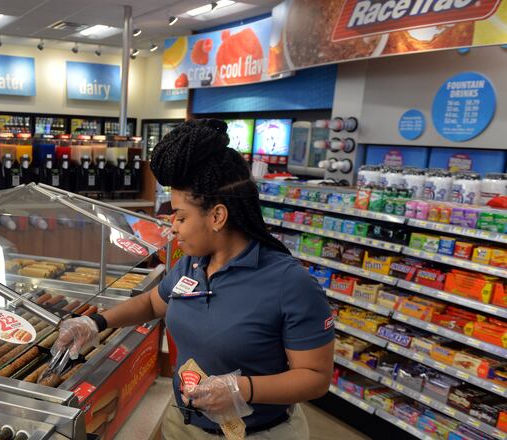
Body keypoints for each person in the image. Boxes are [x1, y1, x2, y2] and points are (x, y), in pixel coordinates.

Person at [54, 119, 334, 439]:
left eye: (181, 216)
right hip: (184, 422)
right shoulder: (193, 264)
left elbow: (315, 377)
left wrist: (240, 388)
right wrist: (96, 323)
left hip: (256, 433)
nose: (172, 227)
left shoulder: (289, 283)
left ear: (217, 216)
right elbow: (152, 303)